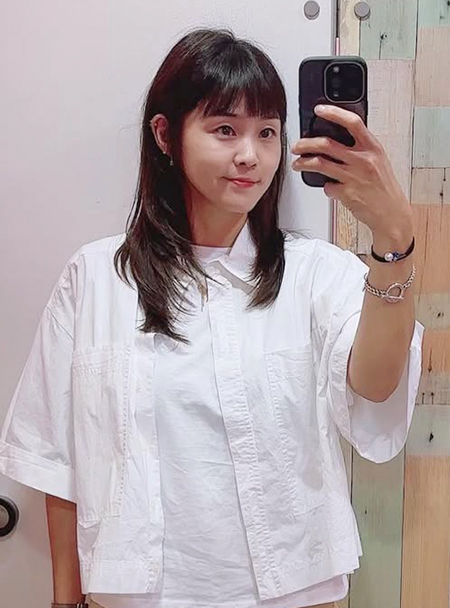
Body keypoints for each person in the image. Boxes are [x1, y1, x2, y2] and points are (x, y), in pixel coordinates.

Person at [0, 27, 424, 608]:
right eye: (225, 129)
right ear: (165, 135)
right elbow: (58, 459)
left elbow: (375, 386)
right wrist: (64, 600)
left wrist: (394, 237)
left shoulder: (318, 275)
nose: (250, 155)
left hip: (291, 595)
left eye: (267, 132)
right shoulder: (95, 278)